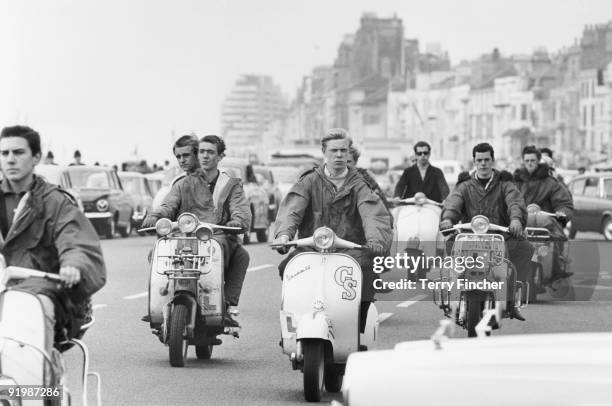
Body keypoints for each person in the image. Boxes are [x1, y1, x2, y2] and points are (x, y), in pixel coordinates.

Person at [273, 128, 392, 336]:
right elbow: (292, 209)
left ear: (349, 153)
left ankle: (358, 328)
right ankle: (295, 321)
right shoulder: (309, 181)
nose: (339, 155)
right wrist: (284, 235)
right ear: (323, 151)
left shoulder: (361, 185)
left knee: (369, 273)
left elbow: (373, 214)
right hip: (312, 249)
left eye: (343, 151)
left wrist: (375, 241)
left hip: (350, 251)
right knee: (287, 268)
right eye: (334, 150)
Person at [0, 125, 106, 353]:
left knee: (34, 310)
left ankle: (40, 383)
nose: (10, 160)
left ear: (36, 157)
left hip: (44, 291)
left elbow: (74, 239)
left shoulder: (55, 202)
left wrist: (72, 265)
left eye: (18, 153)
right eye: (4, 153)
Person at [141, 135, 251, 327]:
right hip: (184, 236)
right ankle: (158, 303)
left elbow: (239, 209)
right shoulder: (184, 182)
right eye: (202, 152)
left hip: (217, 235)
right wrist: (155, 216)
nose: (205, 156)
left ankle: (226, 304)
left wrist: (237, 221)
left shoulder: (230, 183)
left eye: (210, 152)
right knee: (156, 252)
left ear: (220, 156)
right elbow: (169, 205)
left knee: (239, 254)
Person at [439, 142, 533, 321]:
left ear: (493, 161)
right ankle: (451, 292)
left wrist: (515, 220)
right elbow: (454, 202)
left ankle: (511, 299)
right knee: (451, 243)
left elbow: (515, 202)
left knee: (525, 248)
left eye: (486, 160)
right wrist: (448, 219)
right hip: (470, 236)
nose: (483, 163)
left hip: (500, 236)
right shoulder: (465, 185)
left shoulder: (505, 183)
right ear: (474, 161)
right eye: (479, 160)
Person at [514, 146, 574, 281]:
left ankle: (557, 265)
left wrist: (562, 213)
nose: (529, 163)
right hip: (520, 224)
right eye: (527, 160)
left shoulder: (552, 183)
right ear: (523, 161)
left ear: (538, 161)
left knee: (557, 239)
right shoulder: (514, 181)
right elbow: (504, 199)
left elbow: (565, 203)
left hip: (543, 226)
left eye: (533, 160)